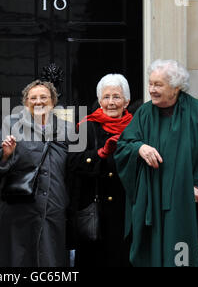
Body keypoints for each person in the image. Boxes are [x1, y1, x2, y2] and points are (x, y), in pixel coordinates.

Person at [114, 59, 198, 267]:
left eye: (158, 85)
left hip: (185, 202)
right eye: (150, 83)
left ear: (176, 87)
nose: (151, 89)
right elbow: (124, 146)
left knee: (182, 257)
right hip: (151, 200)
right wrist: (139, 148)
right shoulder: (143, 113)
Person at [0, 80, 70, 267]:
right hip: (20, 207)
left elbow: (71, 167)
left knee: (50, 260)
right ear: (25, 103)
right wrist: (6, 154)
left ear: (53, 101)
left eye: (44, 97)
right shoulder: (11, 124)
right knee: (18, 259)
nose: (38, 101)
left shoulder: (66, 129)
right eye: (33, 98)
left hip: (53, 206)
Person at [67, 74, 133, 267]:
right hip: (94, 211)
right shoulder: (85, 127)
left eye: (116, 97)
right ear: (100, 100)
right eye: (106, 97)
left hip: (126, 211)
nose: (111, 102)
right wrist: (101, 154)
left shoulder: (137, 127)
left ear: (126, 101)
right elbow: (72, 162)